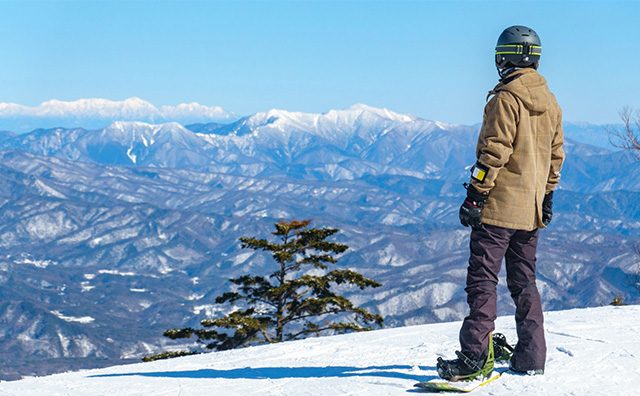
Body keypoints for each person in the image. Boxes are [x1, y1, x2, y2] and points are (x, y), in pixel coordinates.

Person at [436, 25, 565, 381]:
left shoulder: (506, 99)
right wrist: (548, 194)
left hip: (499, 208)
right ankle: (531, 355)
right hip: (532, 211)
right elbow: (556, 156)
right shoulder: (550, 101)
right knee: (525, 282)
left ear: (505, 57)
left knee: (483, 280)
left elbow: (493, 152)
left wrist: (475, 196)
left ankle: (474, 357)